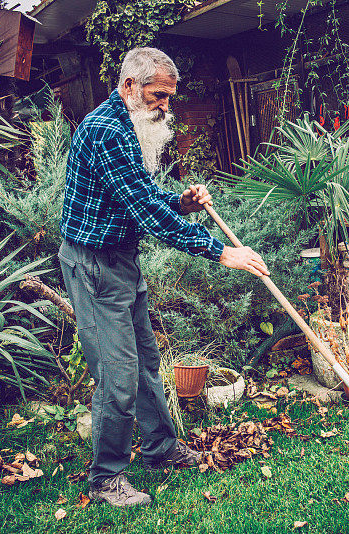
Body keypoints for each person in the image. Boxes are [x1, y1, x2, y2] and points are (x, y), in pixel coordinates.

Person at [58, 47, 269, 508]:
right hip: (94, 266)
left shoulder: (126, 124)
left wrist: (180, 203)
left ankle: (160, 449)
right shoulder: (104, 130)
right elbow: (146, 214)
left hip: (121, 261)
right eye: (158, 95)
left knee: (147, 364)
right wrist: (218, 250)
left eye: (169, 97)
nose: (165, 105)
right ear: (130, 86)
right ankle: (106, 477)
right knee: (117, 377)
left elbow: (139, 194)